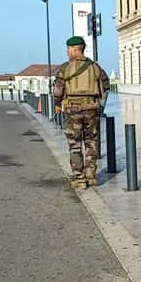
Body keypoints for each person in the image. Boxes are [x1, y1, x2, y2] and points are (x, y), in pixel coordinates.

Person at [53, 35, 110, 188]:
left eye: (69, 49)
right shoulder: (95, 67)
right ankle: (91, 175)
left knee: (75, 143)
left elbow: (58, 89)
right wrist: (98, 101)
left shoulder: (64, 68)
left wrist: (57, 104)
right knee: (91, 142)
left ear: (75, 49)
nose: (67, 51)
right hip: (91, 109)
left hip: (73, 109)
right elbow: (106, 85)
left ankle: (79, 178)